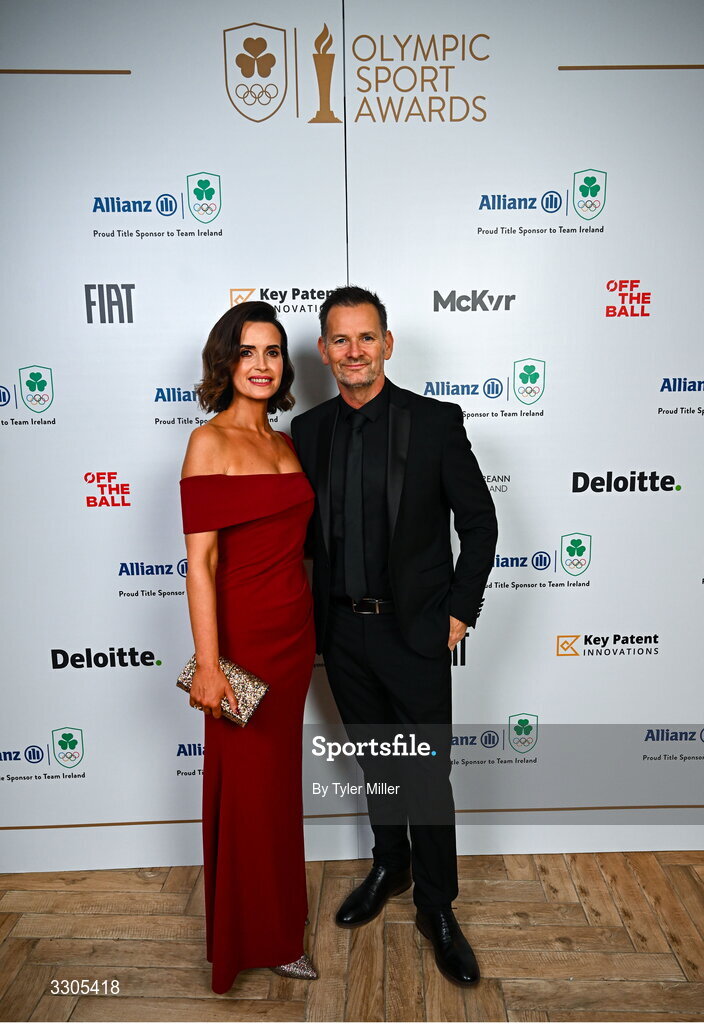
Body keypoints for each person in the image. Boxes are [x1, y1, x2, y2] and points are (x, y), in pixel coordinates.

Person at [291, 285, 497, 986]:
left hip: (415, 635)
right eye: (340, 340)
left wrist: (459, 612)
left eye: (366, 337)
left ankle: (438, 906)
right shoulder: (308, 430)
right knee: (378, 761)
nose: (354, 352)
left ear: (388, 342)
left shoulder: (435, 421)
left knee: (426, 777)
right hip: (342, 632)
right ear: (323, 351)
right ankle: (392, 865)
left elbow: (480, 523)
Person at [179, 301, 317, 992]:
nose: (262, 365)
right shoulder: (208, 442)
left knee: (276, 792)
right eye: (248, 352)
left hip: (294, 639)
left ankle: (282, 927)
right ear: (226, 363)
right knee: (244, 792)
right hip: (240, 645)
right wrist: (208, 663)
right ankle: (245, 939)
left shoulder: (286, 444)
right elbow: (199, 564)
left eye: (272, 352)